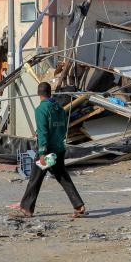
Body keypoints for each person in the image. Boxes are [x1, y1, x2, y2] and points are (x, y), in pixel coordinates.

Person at [17, 82, 86, 219]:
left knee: (35, 178)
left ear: (38, 93)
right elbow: (63, 128)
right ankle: (78, 205)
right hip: (59, 149)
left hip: (47, 152)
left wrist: (42, 153)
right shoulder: (59, 108)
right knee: (63, 177)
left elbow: (43, 133)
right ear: (50, 93)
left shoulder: (41, 110)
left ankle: (26, 208)